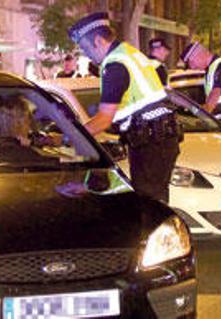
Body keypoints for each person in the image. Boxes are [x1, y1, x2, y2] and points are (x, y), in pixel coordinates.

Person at [69, 12, 180, 201]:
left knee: (148, 207)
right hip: (159, 138)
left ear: (98, 40)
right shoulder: (129, 53)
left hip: (151, 143)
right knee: (155, 201)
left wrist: (69, 136)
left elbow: (104, 119)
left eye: (84, 47)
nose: (85, 54)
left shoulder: (115, 65)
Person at [180, 41, 221, 133]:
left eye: (191, 62)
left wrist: (203, 114)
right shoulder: (210, 69)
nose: (192, 67)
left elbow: (216, 91)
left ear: (199, 55)